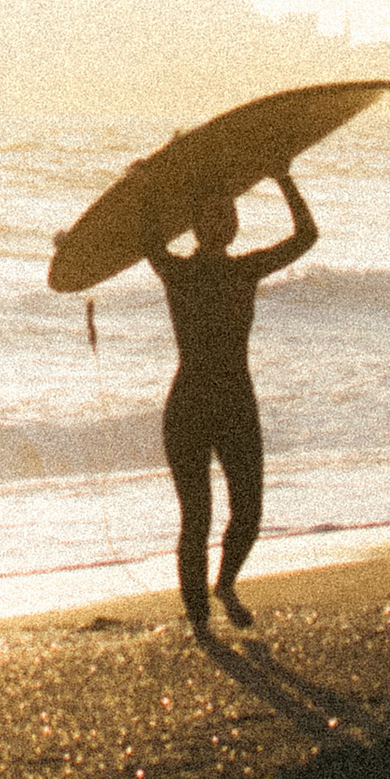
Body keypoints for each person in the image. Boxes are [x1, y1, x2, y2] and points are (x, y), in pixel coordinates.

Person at [139, 168, 317, 635]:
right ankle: (198, 618)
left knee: (249, 511)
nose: (227, 221)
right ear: (199, 226)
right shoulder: (177, 272)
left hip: (234, 403)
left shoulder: (244, 269)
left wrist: (283, 175)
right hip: (193, 406)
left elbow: (306, 237)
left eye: (230, 213)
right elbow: (148, 237)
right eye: (216, 215)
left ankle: (226, 584)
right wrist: (145, 187)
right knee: (196, 517)